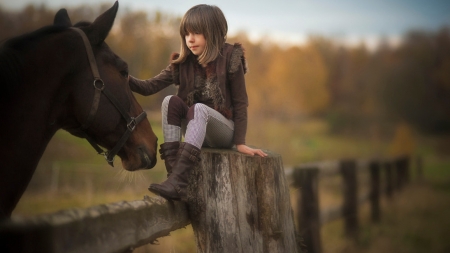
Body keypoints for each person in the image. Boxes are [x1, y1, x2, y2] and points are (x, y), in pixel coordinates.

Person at [128, 4, 267, 201]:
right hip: (195, 131)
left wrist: (240, 143)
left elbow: (241, 103)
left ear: (213, 32)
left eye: (197, 33)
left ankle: (178, 181)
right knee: (170, 101)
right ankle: (174, 180)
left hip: (223, 132)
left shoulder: (230, 57)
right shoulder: (183, 62)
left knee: (199, 109)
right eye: (186, 34)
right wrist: (122, 76)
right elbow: (148, 87)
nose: (190, 39)